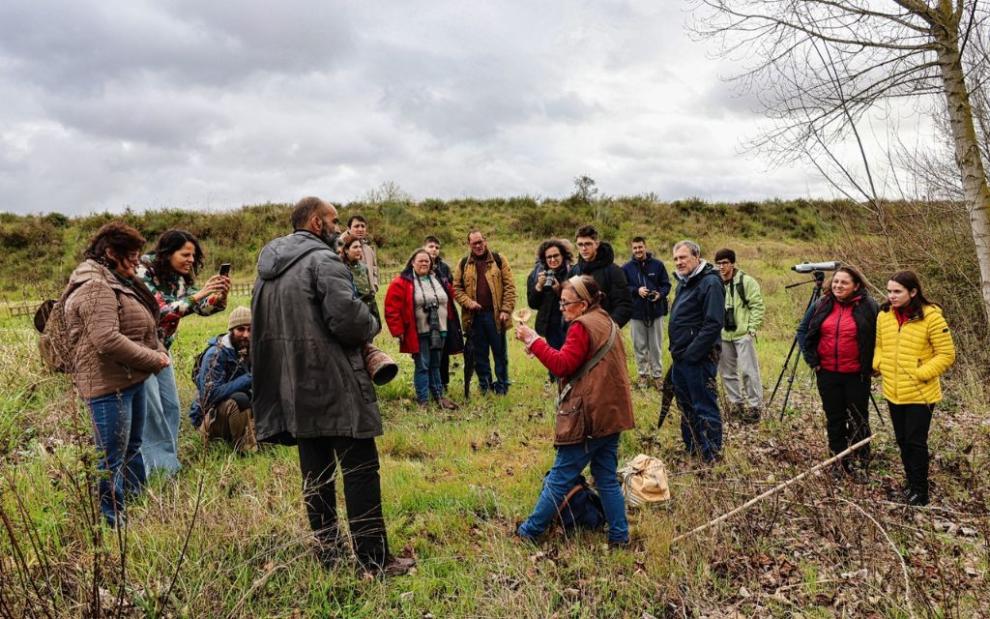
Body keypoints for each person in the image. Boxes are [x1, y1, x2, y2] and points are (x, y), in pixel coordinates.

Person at [252, 196, 412, 576]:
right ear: (314, 221)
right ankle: (374, 561)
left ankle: (329, 554)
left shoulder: (266, 270)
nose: (339, 228)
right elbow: (350, 323)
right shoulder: (323, 261)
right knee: (360, 470)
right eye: (334, 220)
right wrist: (370, 319)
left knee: (316, 475)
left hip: (292, 385)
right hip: (335, 381)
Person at [59, 222, 170, 526]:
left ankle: (136, 502)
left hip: (129, 380)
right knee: (110, 458)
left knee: (131, 447)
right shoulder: (95, 286)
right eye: (132, 255)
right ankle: (113, 519)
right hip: (108, 387)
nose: (138, 261)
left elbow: (139, 324)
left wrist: (154, 351)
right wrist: (153, 359)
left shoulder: (117, 281)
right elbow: (106, 339)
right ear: (110, 253)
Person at [514, 275, 634, 547]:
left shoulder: (581, 325)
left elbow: (563, 365)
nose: (562, 308)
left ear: (582, 304)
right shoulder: (605, 319)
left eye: (566, 303)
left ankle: (529, 532)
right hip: (610, 414)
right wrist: (542, 347)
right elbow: (578, 359)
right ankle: (619, 535)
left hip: (589, 416)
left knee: (559, 478)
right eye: (560, 302)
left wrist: (533, 341)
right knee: (606, 478)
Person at [138, 230, 229, 477]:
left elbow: (199, 308)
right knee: (152, 412)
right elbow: (161, 312)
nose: (190, 260)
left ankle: (167, 465)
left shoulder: (179, 278)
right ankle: (157, 472)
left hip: (162, 350)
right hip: (139, 350)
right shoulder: (143, 273)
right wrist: (199, 294)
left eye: (193, 255)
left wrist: (218, 297)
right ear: (167, 253)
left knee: (171, 408)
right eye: (185, 254)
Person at [874, 271, 955, 505]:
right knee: (901, 440)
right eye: (889, 291)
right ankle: (910, 484)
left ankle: (920, 492)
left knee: (915, 441)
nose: (892, 296)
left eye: (897, 291)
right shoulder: (884, 315)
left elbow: (946, 354)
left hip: (921, 393)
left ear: (913, 292)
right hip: (893, 389)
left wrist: (921, 374)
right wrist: (879, 364)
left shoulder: (931, 317)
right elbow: (879, 345)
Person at [798, 266, 878, 477]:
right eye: (836, 282)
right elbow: (803, 330)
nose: (838, 286)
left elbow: (880, 336)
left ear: (856, 286)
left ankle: (861, 462)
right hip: (827, 373)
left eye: (844, 282)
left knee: (858, 419)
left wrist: (874, 363)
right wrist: (811, 359)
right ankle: (838, 462)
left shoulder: (868, 306)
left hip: (856, 374)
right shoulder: (822, 304)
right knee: (835, 419)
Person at [667, 240, 725, 463]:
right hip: (681, 358)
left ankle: (711, 457)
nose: (679, 262)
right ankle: (693, 450)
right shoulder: (684, 282)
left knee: (704, 407)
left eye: (683, 257)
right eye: (676, 258)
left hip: (699, 359)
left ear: (697, 257)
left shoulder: (710, 282)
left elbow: (713, 323)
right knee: (686, 406)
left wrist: (692, 354)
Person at [384, 248, 460, 410]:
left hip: (441, 330)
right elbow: (391, 309)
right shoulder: (402, 282)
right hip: (418, 332)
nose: (424, 263)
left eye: (427, 261)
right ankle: (423, 400)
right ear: (412, 262)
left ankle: (438, 396)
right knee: (423, 365)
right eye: (420, 260)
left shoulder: (438, 278)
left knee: (435, 365)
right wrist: (398, 331)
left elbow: (451, 297)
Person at [453, 230, 516, 395]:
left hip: (495, 316)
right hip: (475, 319)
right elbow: (457, 289)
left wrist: (506, 310)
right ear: (470, 245)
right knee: (480, 355)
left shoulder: (498, 259)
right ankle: (485, 387)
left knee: (500, 354)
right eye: (474, 243)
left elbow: (510, 287)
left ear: (485, 241)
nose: (478, 246)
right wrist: (469, 302)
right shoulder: (463, 263)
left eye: (480, 242)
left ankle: (502, 387)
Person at [189, 306, 256, 453]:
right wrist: (249, 377)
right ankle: (244, 450)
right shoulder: (216, 354)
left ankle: (258, 439)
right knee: (240, 399)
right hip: (209, 420)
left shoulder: (250, 350)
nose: (246, 335)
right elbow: (210, 395)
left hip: (234, 416)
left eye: (250, 330)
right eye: (241, 329)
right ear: (231, 330)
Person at [714, 248, 766, 422]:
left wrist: (752, 329)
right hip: (723, 334)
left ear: (733, 263)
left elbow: (757, 306)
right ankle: (736, 404)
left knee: (749, 371)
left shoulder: (746, 282)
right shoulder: (715, 282)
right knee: (727, 372)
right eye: (719, 263)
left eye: (725, 263)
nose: (721, 267)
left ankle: (754, 407)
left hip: (743, 333)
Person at [621, 236, 671, 390]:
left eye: (640, 247)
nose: (638, 250)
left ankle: (657, 376)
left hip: (655, 311)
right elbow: (623, 288)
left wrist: (659, 294)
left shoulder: (658, 265)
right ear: (632, 249)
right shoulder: (626, 268)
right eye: (635, 248)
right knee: (639, 346)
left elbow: (666, 284)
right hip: (636, 313)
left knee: (655, 346)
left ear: (645, 247)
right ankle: (643, 375)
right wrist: (636, 290)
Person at [526, 239, 573, 380]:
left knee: (569, 360)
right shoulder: (537, 274)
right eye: (549, 257)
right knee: (553, 360)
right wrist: (539, 287)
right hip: (549, 325)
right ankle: (555, 384)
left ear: (563, 255)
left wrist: (559, 291)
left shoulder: (572, 272)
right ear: (544, 259)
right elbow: (533, 303)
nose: (553, 260)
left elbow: (578, 301)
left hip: (569, 324)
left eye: (556, 256)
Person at [568, 225, 632, 328]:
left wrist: (608, 328)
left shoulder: (613, 271)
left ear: (596, 244)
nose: (584, 248)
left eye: (588, 244)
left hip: (604, 332)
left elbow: (625, 305)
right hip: (579, 330)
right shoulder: (575, 271)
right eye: (580, 244)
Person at [424, 235, 460, 391]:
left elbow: (451, 288)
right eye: (431, 246)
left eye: (437, 247)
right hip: (426, 316)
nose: (434, 250)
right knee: (429, 352)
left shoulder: (444, 267)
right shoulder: (420, 264)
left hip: (445, 315)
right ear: (424, 247)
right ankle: (428, 385)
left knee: (444, 352)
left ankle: (443, 384)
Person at [339, 231, 381, 327]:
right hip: (352, 314)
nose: (359, 250)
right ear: (346, 250)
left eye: (360, 247)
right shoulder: (341, 268)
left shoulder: (363, 267)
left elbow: (368, 293)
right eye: (355, 247)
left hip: (368, 312)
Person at [347, 215, 379, 293]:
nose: (360, 229)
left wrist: (374, 284)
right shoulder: (342, 249)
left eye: (363, 226)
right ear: (348, 229)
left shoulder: (369, 249)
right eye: (356, 226)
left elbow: (374, 268)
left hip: (370, 296)